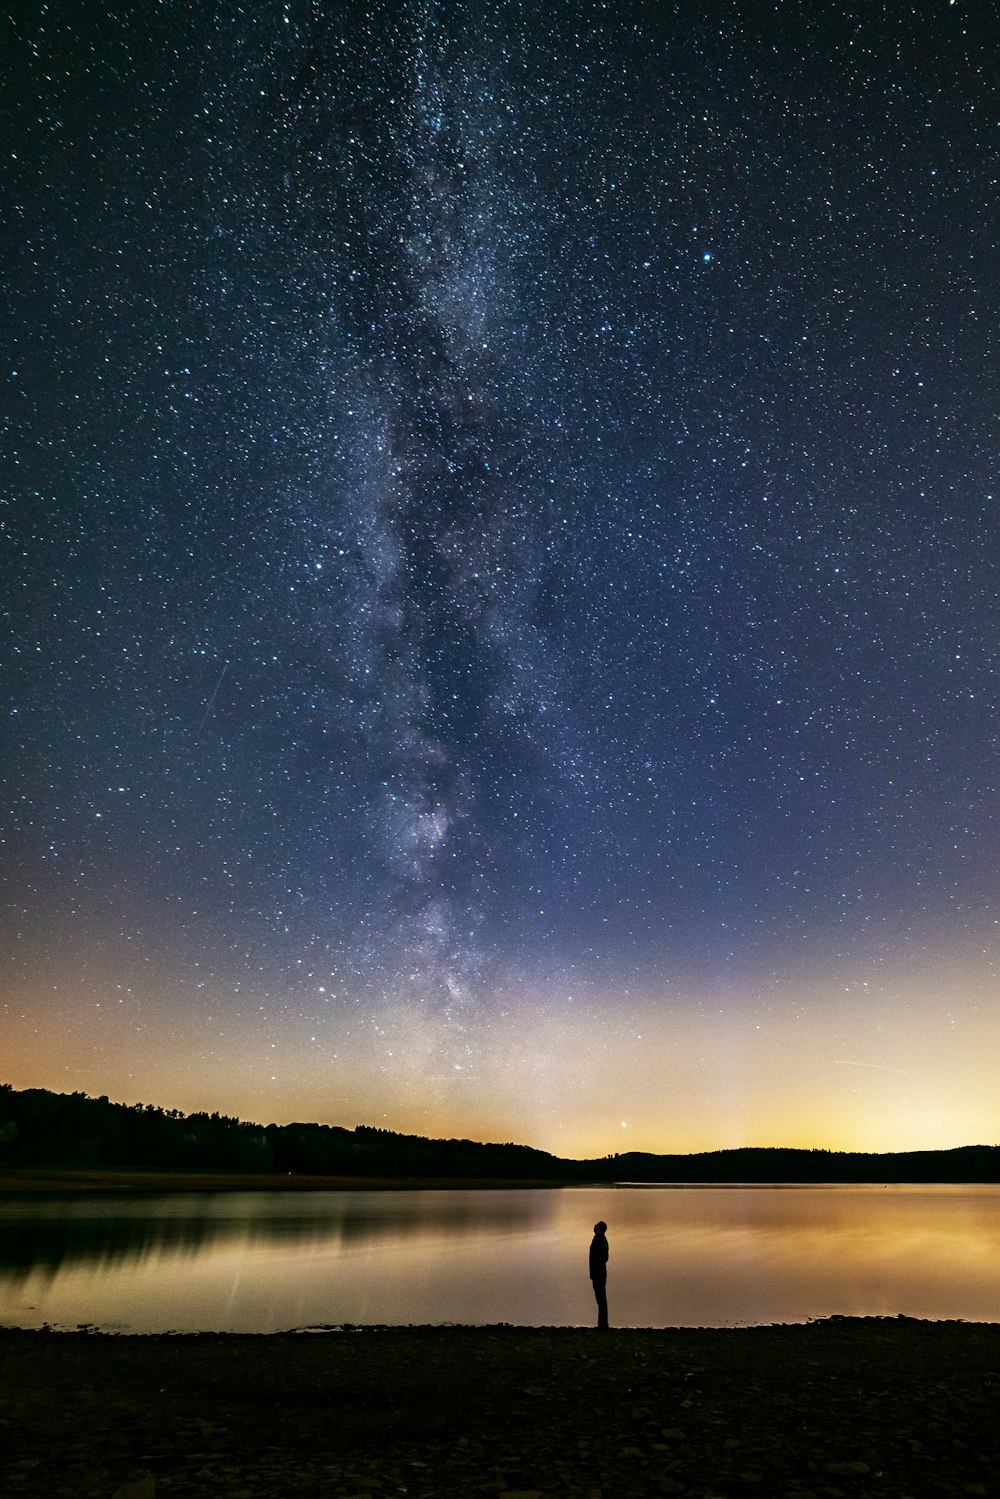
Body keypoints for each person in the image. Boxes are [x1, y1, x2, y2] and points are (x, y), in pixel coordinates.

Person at [589, 1220, 609, 1329]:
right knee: (600, 1298)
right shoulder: (600, 1240)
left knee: (601, 1298)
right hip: (599, 1273)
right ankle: (602, 1323)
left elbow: (601, 1258)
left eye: (596, 1226)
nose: (594, 1226)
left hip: (599, 1273)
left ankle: (603, 1325)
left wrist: (596, 1270)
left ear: (600, 1229)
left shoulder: (599, 1240)